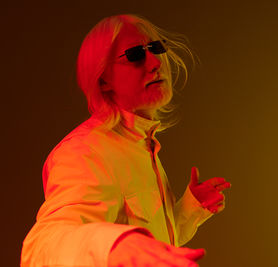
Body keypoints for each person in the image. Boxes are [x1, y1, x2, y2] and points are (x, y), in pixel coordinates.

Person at [21, 14, 231, 267]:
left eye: (155, 47)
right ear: (103, 80)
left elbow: (152, 242)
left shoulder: (141, 144)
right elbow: (43, 245)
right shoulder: (84, 151)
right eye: (134, 55)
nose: (154, 62)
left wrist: (189, 209)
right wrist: (115, 247)